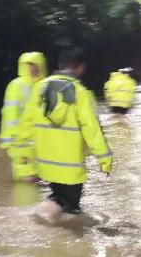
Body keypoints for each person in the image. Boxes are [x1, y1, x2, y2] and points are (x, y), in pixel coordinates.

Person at [15, 48, 112, 220]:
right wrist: (104, 158)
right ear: (80, 67)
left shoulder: (38, 88)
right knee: (73, 213)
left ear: (59, 66)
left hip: (47, 165)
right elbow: (92, 128)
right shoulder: (80, 92)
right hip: (71, 169)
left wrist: (22, 154)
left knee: (57, 197)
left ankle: (46, 218)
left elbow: (25, 124)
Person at [0, 51, 47, 181]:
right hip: (20, 143)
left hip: (38, 142)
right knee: (26, 178)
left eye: (35, 65)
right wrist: (10, 141)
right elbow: (10, 115)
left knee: (37, 179)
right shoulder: (16, 85)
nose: (32, 68)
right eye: (29, 65)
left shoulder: (44, 86)